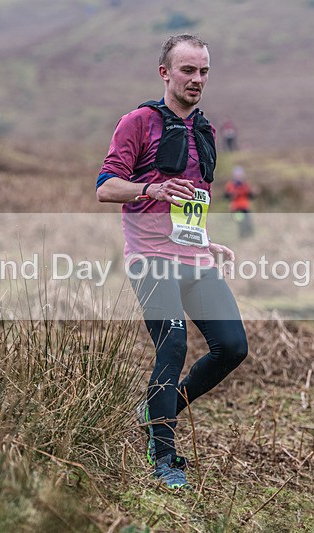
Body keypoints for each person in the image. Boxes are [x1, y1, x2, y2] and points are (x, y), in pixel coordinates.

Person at [96, 34, 248, 490]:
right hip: (151, 260)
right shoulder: (137, 122)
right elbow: (105, 187)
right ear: (165, 73)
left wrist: (206, 240)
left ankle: (155, 412)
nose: (197, 79)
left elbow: (192, 200)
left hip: (194, 258)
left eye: (203, 71)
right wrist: (151, 188)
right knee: (173, 346)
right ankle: (164, 455)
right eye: (188, 70)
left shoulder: (206, 130)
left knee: (232, 348)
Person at [224, 165, 256, 238]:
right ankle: (243, 239)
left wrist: (254, 194)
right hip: (236, 209)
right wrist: (231, 195)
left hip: (245, 208)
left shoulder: (245, 184)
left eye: (240, 174)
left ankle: (251, 239)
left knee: (249, 223)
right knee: (241, 224)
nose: (239, 176)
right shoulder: (230, 185)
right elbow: (226, 197)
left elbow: (250, 196)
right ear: (234, 175)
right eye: (237, 175)